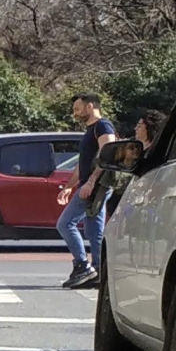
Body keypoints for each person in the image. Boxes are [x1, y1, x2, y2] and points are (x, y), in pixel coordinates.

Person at [57, 93, 117, 289]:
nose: (75, 114)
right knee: (94, 232)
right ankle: (99, 274)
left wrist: (91, 182)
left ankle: (82, 266)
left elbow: (108, 155)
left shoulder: (102, 126)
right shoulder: (91, 129)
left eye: (77, 109)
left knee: (65, 223)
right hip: (90, 185)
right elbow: (81, 164)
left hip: (96, 186)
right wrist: (68, 186)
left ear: (90, 106)